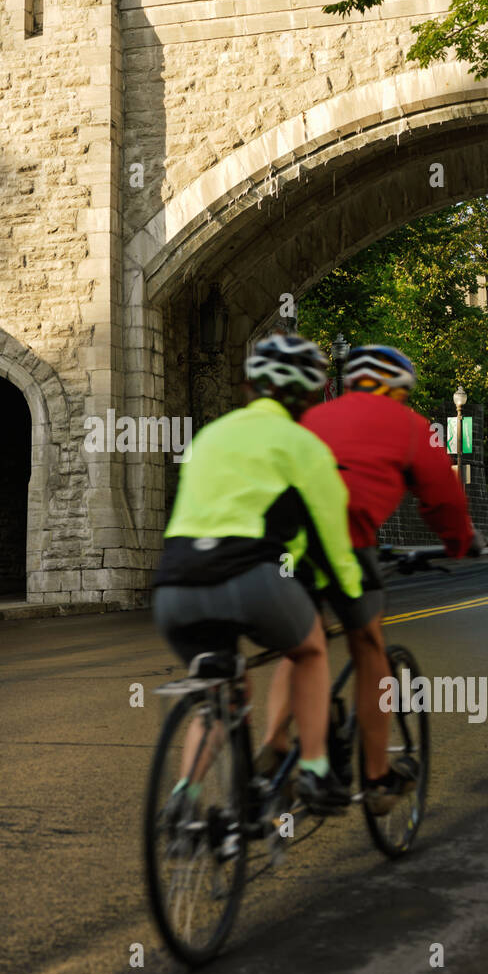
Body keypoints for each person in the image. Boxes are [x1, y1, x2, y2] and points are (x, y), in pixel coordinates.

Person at [153, 334, 363, 813]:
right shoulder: (303, 444)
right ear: (311, 396)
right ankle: (314, 772)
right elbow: (332, 536)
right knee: (310, 647)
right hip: (248, 575)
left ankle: (184, 802)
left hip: (176, 584)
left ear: (250, 387)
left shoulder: (211, 434)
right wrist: (350, 591)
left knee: (222, 688)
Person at [274, 344, 482, 815]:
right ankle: (376, 779)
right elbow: (443, 496)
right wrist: (459, 542)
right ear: (396, 389)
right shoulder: (409, 426)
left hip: (282, 542)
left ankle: (272, 745)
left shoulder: (314, 418)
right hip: (344, 539)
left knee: (301, 643)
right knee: (369, 646)